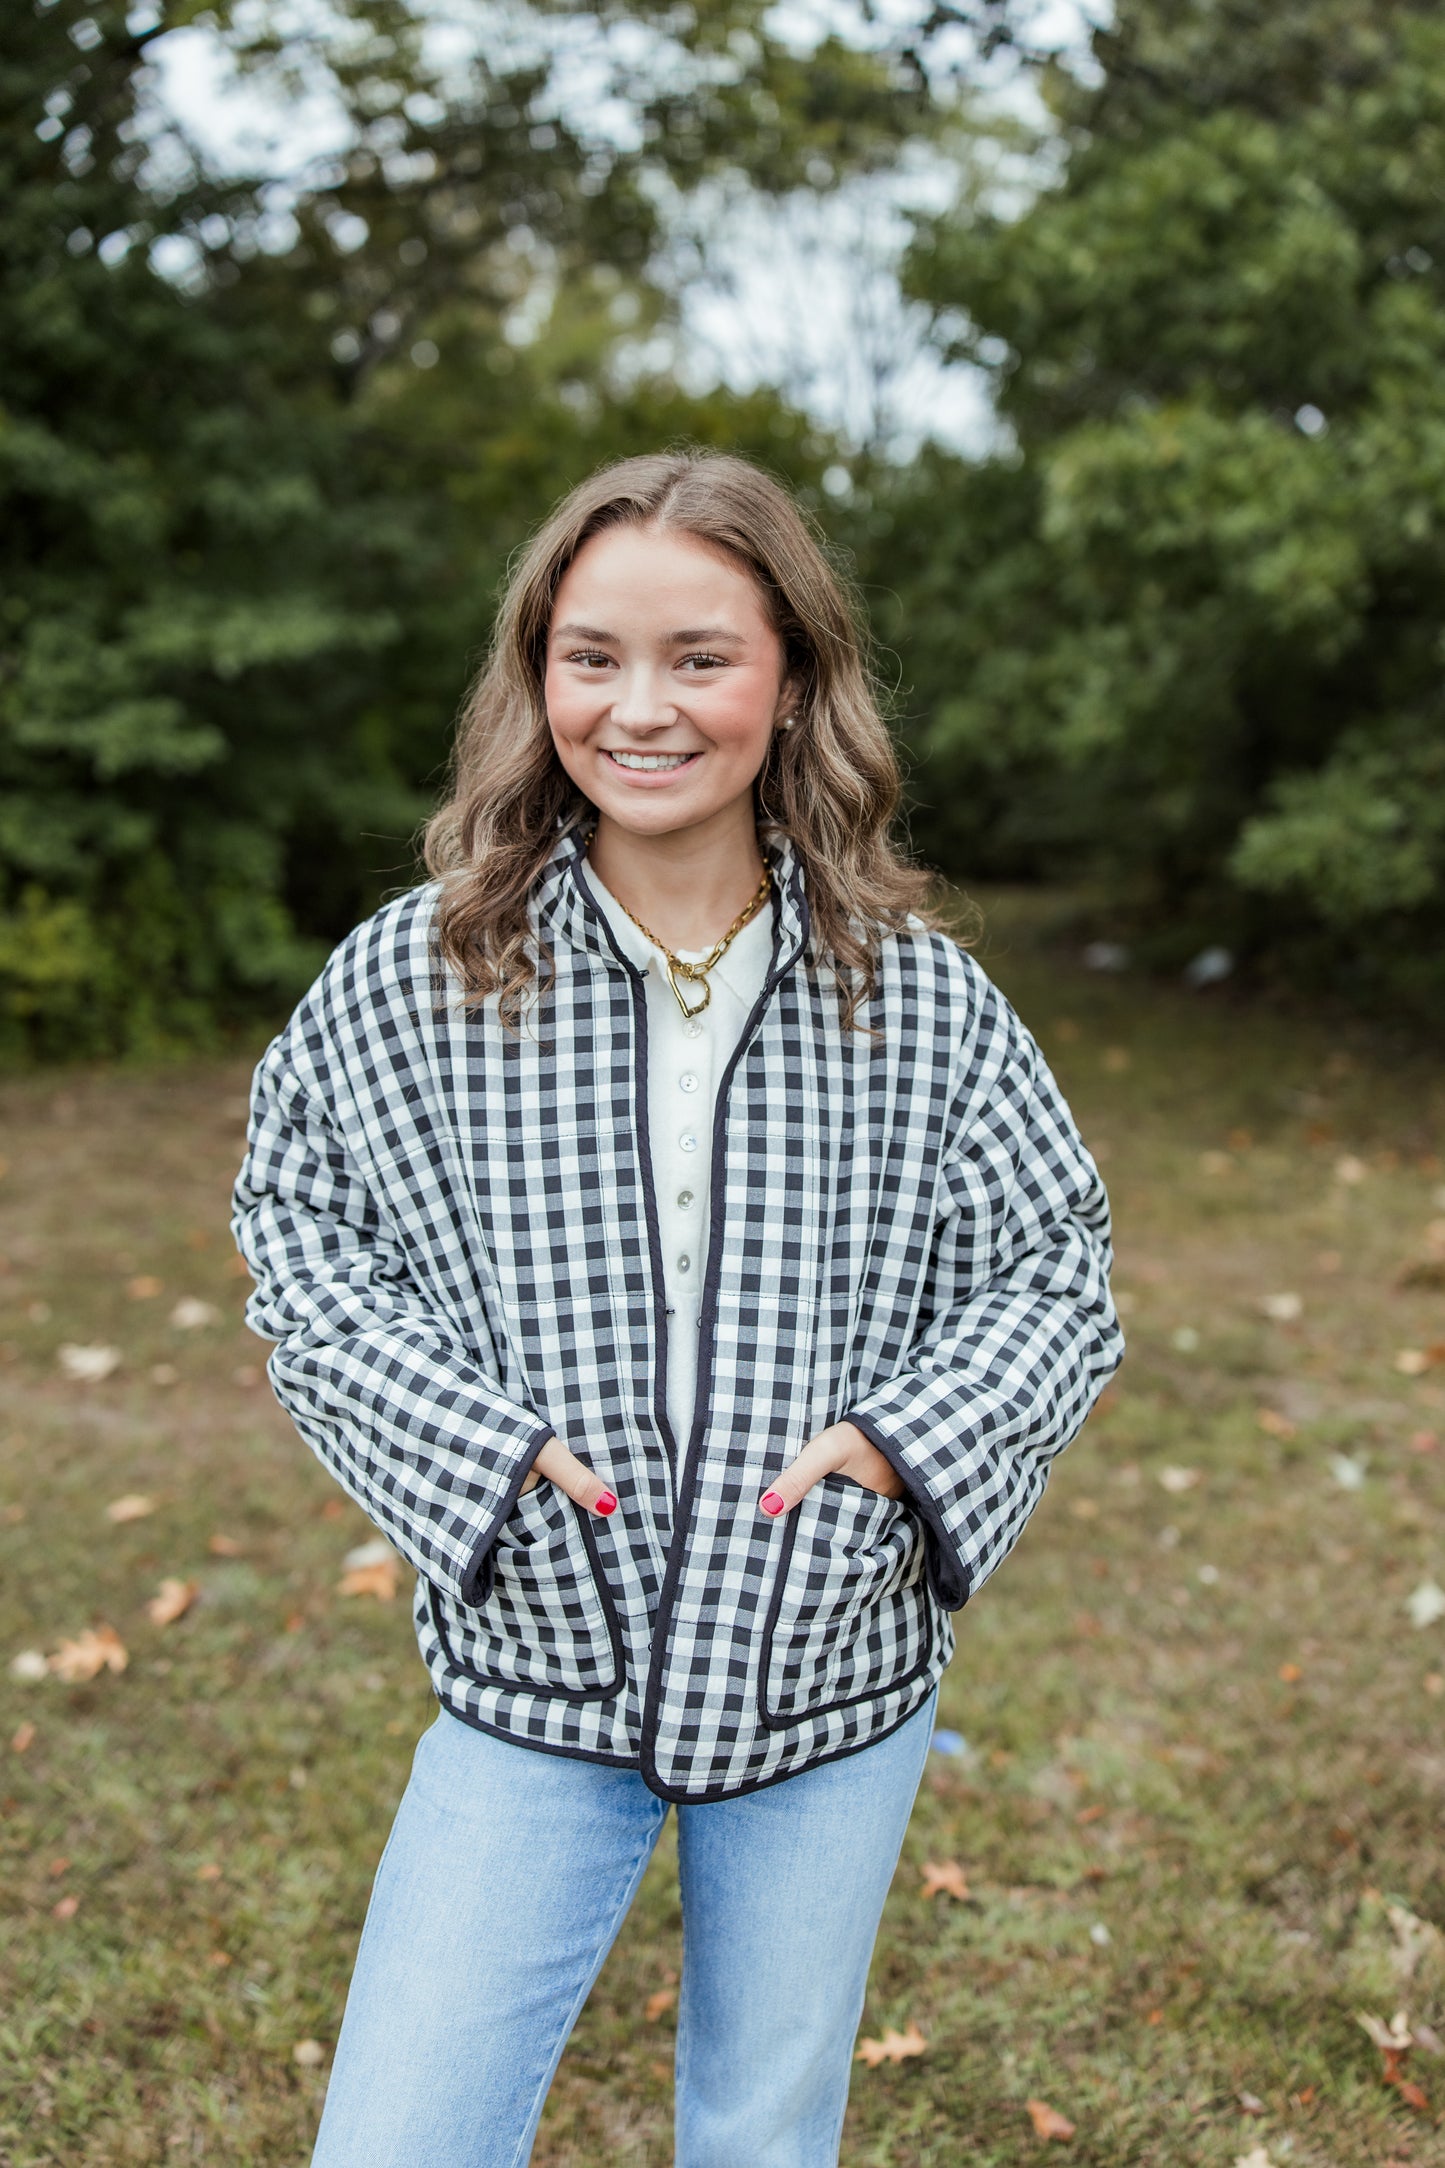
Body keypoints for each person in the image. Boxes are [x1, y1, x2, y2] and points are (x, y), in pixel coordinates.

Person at [231, 448, 1123, 2168]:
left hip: (822, 1666)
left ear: (791, 680)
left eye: (698, 657)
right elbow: (303, 1236)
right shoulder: (417, 975)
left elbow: (1052, 1268)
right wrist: (477, 1461)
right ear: (535, 673)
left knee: (762, 2131)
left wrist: (896, 1458)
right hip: (536, 1666)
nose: (639, 708)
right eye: (590, 655)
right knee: (399, 2137)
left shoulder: (915, 999)